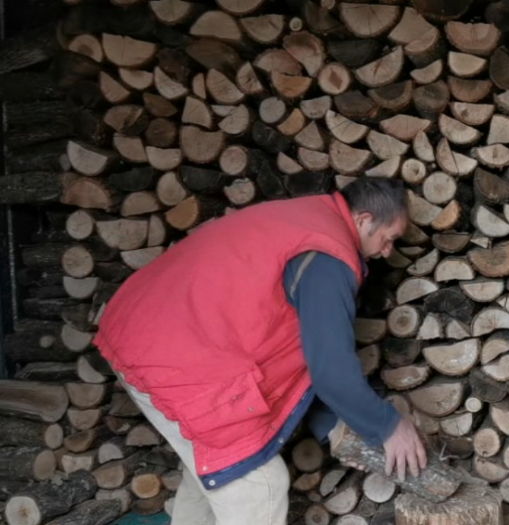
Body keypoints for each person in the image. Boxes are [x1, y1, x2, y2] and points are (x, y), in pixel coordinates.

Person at [93, 178, 427, 525]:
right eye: (389, 238)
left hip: (145, 333)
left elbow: (300, 357)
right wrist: (389, 426)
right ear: (363, 220)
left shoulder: (306, 220)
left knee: (217, 474)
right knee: (260, 486)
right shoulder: (329, 256)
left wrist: (334, 428)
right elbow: (331, 371)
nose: (388, 251)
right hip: (172, 357)